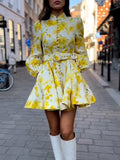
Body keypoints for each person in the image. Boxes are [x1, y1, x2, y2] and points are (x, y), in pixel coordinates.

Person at [25, 0, 96, 159]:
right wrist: (40, 73)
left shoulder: (75, 23)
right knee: (54, 130)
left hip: (70, 79)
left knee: (66, 131)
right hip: (48, 80)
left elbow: (81, 51)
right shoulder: (39, 26)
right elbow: (35, 54)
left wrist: (76, 70)